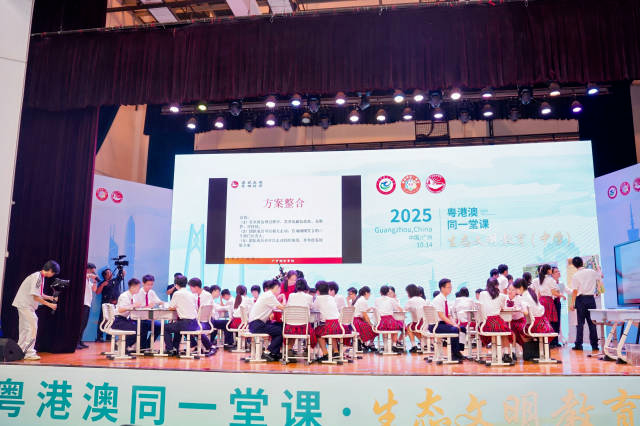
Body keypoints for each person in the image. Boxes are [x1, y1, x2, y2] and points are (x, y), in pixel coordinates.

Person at [12, 260, 60, 360]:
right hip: (26, 305)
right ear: (50, 270)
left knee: (25, 328)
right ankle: (29, 352)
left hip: (23, 304)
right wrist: (50, 305)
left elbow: (39, 294)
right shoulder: (37, 277)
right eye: (53, 273)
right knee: (32, 327)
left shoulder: (39, 276)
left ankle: (20, 350)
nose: (52, 275)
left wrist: (50, 297)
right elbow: (35, 296)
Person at [569, 257, 602, 351]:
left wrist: (572, 303)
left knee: (580, 323)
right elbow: (600, 276)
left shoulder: (575, 275)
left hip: (580, 300)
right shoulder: (591, 271)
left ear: (574, 265)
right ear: (582, 262)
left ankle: (578, 344)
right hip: (591, 299)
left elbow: (575, 291)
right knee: (592, 323)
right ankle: (595, 345)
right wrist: (599, 269)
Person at [248, 279, 285, 362]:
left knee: (280, 326)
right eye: (280, 288)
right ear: (277, 287)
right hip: (257, 324)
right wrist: (284, 298)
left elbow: (275, 307)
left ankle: (274, 353)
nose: (280, 290)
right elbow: (282, 308)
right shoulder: (270, 296)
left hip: (255, 323)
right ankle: (267, 352)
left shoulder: (267, 295)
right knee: (281, 331)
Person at [479, 278, 514, 364]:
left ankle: (497, 354)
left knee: (501, 330)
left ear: (487, 285)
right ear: (497, 285)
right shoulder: (501, 295)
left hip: (485, 324)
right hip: (496, 321)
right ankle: (506, 354)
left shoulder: (482, 294)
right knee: (505, 331)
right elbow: (502, 307)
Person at [164, 275, 198, 355]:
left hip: (186, 323)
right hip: (194, 323)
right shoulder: (191, 294)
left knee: (165, 328)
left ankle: (170, 349)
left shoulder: (177, 293)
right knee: (177, 325)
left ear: (175, 285)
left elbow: (171, 307)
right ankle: (175, 347)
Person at [431, 278, 464, 361]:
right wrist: (454, 325)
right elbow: (442, 316)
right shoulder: (438, 300)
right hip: (435, 325)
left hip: (442, 324)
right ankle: (454, 354)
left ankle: (458, 351)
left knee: (462, 329)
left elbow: (448, 316)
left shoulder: (445, 299)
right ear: (442, 288)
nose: (451, 289)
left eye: (451, 287)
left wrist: (455, 324)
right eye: (449, 287)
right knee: (455, 329)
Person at [113, 278, 148, 349]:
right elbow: (120, 310)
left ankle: (125, 346)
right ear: (132, 287)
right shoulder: (124, 296)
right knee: (136, 329)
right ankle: (121, 346)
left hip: (124, 319)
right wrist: (133, 305)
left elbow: (132, 307)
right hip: (118, 320)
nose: (139, 289)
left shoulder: (132, 296)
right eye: (138, 287)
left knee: (142, 328)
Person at [313, 281, 343, 361]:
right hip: (339, 325)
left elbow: (313, 308)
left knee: (318, 332)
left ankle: (325, 354)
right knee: (331, 333)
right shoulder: (331, 298)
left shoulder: (318, 298)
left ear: (317, 291)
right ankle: (336, 352)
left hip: (330, 324)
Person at [285, 279, 316, 352]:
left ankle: (289, 349)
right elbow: (312, 307)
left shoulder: (291, 296)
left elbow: (288, 306)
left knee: (294, 327)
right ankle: (308, 350)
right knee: (311, 329)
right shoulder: (309, 297)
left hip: (291, 327)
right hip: (304, 328)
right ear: (305, 286)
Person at [187, 277, 216, 356]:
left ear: (196, 287)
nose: (190, 289)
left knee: (197, 329)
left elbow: (204, 312)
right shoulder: (195, 296)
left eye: (191, 287)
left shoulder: (207, 295)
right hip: (199, 320)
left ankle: (210, 347)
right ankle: (194, 344)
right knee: (184, 326)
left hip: (207, 321)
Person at [132, 274, 162, 349]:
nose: (150, 286)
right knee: (143, 325)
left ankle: (148, 345)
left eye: (151, 284)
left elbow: (159, 301)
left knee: (160, 326)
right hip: (138, 318)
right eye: (148, 284)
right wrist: (147, 306)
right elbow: (134, 307)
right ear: (143, 283)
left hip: (148, 317)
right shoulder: (138, 292)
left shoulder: (151, 292)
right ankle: (142, 347)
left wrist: (164, 304)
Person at [374, 286, 404, 353]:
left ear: (380, 292)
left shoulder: (376, 300)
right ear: (388, 292)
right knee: (397, 327)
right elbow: (397, 309)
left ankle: (385, 346)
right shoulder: (391, 300)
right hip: (390, 320)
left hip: (381, 321)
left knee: (384, 330)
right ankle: (394, 345)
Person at [95, 268, 120, 342]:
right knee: (103, 320)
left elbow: (122, 275)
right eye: (108, 273)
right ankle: (99, 337)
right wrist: (102, 285)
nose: (110, 273)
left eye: (110, 272)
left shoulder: (115, 281)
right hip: (105, 305)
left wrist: (121, 270)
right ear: (105, 275)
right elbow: (97, 292)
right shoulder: (102, 283)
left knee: (112, 320)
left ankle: (109, 337)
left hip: (114, 304)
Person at [78, 263, 98, 350]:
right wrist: (90, 275)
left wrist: (95, 281)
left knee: (84, 324)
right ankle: (76, 342)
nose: (93, 273)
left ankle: (79, 340)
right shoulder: (82, 277)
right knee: (80, 324)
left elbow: (94, 290)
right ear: (88, 269)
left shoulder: (89, 280)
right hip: (82, 304)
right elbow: (85, 275)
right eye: (92, 271)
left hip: (88, 304)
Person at [535, 264, 561, 331]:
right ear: (548, 270)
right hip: (548, 301)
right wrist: (561, 295)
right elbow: (553, 292)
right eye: (551, 269)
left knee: (544, 320)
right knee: (550, 321)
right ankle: (550, 335)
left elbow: (539, 293)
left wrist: (537, 303)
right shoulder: (550, 280)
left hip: (541, 301)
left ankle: (544, 335)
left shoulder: (540, 279)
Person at [353, 286, 377, 351]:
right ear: (366, 293)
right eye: (370, 293)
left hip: (355, 321)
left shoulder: (360, 299)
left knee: (371, 327)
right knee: (374, 329)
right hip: (357, 322)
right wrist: (371, 324)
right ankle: (367, 343)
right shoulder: (363, 300)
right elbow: (365, 315)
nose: (370, 295)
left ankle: (363, 342)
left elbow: (362, 312)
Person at [405, 284, 427, 353]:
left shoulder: (410, 301)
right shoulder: (422, 300)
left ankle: (414, 346)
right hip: (425, 322)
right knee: (413, 328)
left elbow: (404, 310)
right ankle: (424, 344)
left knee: (409, 327)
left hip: (418, 323)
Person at [506, 281, 527, 350]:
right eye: (509, 289)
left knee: (520, 329)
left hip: (519, 320)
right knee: (509, 329)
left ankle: (526, 349)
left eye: (513, 290)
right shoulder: (505, 298)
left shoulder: (520, 298)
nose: (510, 291)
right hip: (509, 321)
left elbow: (524, 309)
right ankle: (512, 351)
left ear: (516, 291)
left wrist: (519, 309)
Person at [549, 266, 565, 348]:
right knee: (552, 322)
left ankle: (556, 341)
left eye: (559, 271)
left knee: (558, 322)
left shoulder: (561, 283)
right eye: (556, 272)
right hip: (551, 303)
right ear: (552, 274)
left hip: (558, 303)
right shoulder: (550, 282)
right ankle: (551, 342)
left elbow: (567, 290)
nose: (558, 272)